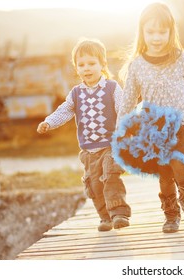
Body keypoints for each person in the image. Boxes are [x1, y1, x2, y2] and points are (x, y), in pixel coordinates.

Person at [112, 2, 184, 233]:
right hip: (155, 127)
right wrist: (122, 128)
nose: (157, 37)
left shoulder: (180, 58)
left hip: (183, 120)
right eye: (151, 32)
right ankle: (171, 216)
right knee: (165, 172)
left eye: (162, 31)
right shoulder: (137, 66)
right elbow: (129, 100)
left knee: (178, 159)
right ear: (142, 33)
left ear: (171, 31)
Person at [37, 38, 131, 232]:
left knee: (110, 177)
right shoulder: (76, 93)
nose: (86, 68)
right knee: (95, 185)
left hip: (111, 146)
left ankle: (119, 213)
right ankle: (105, 217)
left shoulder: (112, 88)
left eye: (91, 63)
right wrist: (49, 122)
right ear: (76, 68)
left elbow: (124, 110)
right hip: (89, 151)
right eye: (81, 64)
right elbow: (64, 111)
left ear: (102, 64)